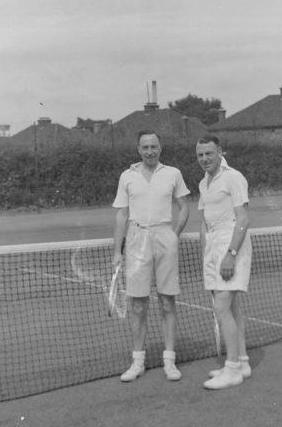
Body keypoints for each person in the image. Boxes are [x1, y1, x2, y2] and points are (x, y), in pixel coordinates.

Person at [112, 130, 190, 382]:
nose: (149, 151)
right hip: (136, 241)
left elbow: (184, 207)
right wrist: (117, 251)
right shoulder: (127, 176)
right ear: (138, 149)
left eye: (153, 147)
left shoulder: (173, 174)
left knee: (168, 301)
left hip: (164, 237)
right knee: (138, 305)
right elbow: (122, 215)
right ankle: (138, 363)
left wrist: (174, 234)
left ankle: (170, 361)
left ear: (160, 148)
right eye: (145, 147)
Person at [196, 134, 252, 390]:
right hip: (213, 245)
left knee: (221, 307)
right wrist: (205, 254)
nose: (204, 159)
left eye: (209, 153)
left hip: (232, 243)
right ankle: (241, 361)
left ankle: (231, 371)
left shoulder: (233, 177)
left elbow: (243, 218)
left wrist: (230, 253)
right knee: (232, 308)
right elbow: (204, 222)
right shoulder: (203, 183)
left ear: (220, 152)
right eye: (200, 155)